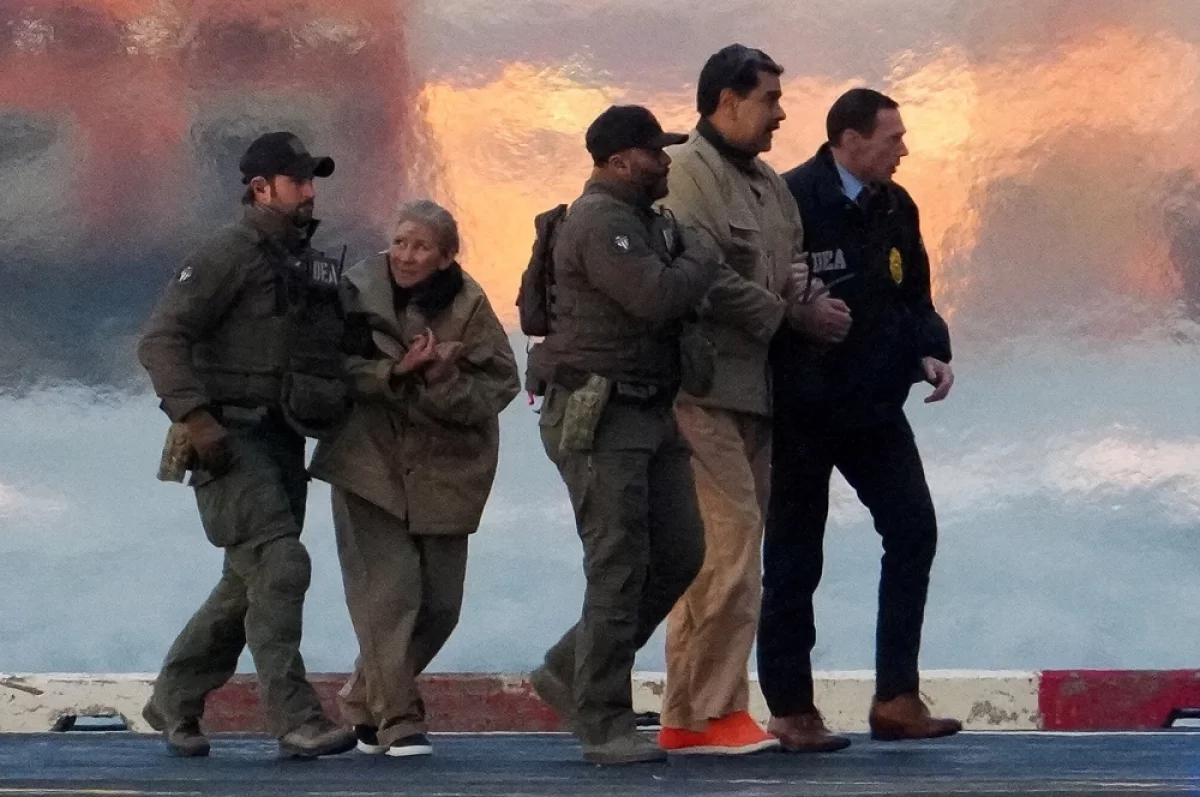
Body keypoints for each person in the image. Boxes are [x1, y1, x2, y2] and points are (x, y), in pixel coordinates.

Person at [656, 44, 851, 755]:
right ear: (727, 101)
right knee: (731, 548)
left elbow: (791, 265)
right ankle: (714, 712)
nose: (781, 114)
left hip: (756, 394)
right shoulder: (684, 173)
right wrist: (791, 315)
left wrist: (813, 299)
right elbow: (702, 277)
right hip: (700, 390)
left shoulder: (769, 184)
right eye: (769, 99)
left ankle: (686, 716)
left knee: (723, 555)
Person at [137, 132, 356, 759]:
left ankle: (174, 697)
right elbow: (161, 339)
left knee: (247, 583)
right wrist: (194, 417)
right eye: (298, 181)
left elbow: (337, 344)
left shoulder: (304, 263)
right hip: (229, 437)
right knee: (282, 564)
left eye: (312, 181)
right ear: (261, 188)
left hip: (284, 437)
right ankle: (295, 718)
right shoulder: (227, 254)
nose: (310, 193)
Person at [760, 88, 962, 750]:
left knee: (913, 530)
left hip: (874, 405)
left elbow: (913, 294)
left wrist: (930, 350)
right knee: (795, 558)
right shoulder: (789, 199)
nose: (904, 148)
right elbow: (759, 295)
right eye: (892, 137)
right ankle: (791, 708)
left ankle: (897, 697)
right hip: (803, 408)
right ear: (849, 139)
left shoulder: (895, 205)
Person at [526, 105, 721, 765]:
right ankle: (603, 720)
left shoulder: (644, 222)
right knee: (618, 564)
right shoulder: (601, 222)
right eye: (652, 152)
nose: (664, 162)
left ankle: (569, 669)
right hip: (601, 414)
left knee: (680, 552)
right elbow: (655, 296)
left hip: (648, 408)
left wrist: (687, 254)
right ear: (617, 160)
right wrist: (703, 254)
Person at [309, 199, 520, 757]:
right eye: (400, 241)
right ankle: (398, 720)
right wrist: (394, 371)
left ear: (446, 256)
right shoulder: (354, 292)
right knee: (390, 599)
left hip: (445, 469)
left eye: (421, 246)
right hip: (367, 461)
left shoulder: (470, 305)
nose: (405, 255)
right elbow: (327, 368)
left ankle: (364, 701)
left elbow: (500, 385)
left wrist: (443, 376)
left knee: (441, 608)